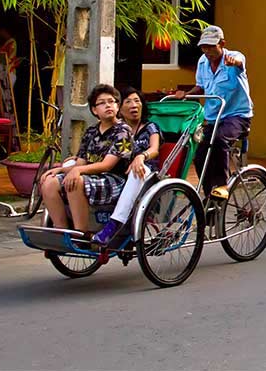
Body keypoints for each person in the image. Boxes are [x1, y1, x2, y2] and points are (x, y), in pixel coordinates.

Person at [39, 84, 133, 234]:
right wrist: (60, 170)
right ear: (94, 110)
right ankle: (61, 230)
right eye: (102, 103)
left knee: (76, 181)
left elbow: (107, 165)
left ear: (117, 106)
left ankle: (81, 233)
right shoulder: (91, 132)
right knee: (49, 181)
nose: (108, 105)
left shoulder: (124, 132)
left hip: (114, 179)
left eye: (112, 101)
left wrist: (77, 171)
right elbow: (81, 163)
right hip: (90, 175)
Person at [176, 25, 253, 200]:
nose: (207, 51)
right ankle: (210, 195)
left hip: (237, 116)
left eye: (211, 47)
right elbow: (200, 86)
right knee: (200, 153)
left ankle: (222, 186)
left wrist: (234, 63)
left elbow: (240, 63)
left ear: (222, 44)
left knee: (219, 140)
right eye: (204, 47)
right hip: (213, 118)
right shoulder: (202, 62)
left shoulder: (234, 57)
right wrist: (186, 95)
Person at [92, 88, 162, 246]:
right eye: (128, 101)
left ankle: (113, 225)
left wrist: (141, 157)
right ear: (120, 108)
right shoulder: (117, 129)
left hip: (146, 171)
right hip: (118, 171)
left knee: (137, 171)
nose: (134, 105)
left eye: (137, 101)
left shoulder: (150, 127)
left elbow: (154, 149)